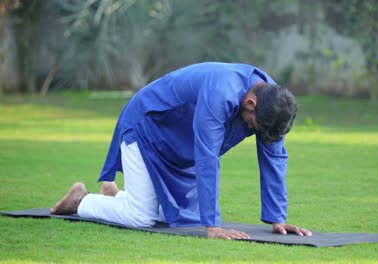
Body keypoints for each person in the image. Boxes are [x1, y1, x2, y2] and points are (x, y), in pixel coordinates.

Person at [50, 62, 312, 239]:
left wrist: (278, 218)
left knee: (181, 217)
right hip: (146, 127)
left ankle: (116, 196)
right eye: (256, 127)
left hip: (176, 144)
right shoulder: (220, 92)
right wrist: (213, 227)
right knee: (141, 218)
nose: (258, 133)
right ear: (250, 102)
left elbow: (274, 155)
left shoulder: (272, 102)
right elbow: (207, 157)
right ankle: (82, 200)